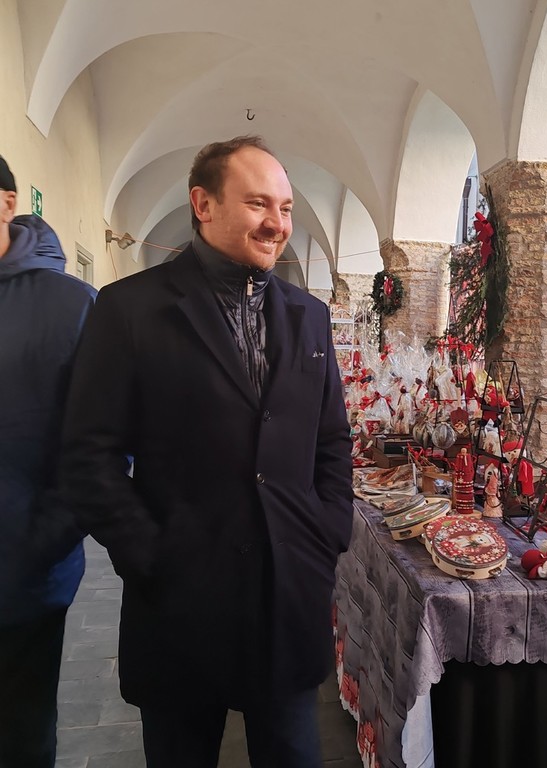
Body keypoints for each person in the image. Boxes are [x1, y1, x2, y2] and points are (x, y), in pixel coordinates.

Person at [59, 136, 354, 767]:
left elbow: (331, 440)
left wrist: (327, 532)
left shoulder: (308, 315)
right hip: (181, 605)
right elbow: (88, 456)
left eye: (285, 207)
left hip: (287, 597)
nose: (277, 222)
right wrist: (150, 556)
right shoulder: (131, 309)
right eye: (258, 203)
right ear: (203, 204)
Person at [0, 155, 95, 767]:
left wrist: (41, 542)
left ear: (8, 203)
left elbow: (100, 441)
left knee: (21, 737)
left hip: (22, 575)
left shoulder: (72, 305)